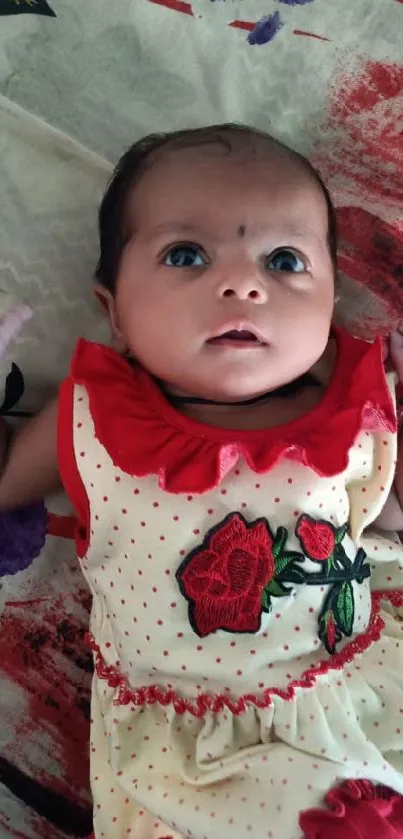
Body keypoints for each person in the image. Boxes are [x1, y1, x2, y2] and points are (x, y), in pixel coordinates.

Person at [1, 123, 403, 839]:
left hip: (353, 692)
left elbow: (387, 517)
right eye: (186, 254)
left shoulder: (353, 412)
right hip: (185, 756)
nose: (242, 282)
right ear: (113, 308)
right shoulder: (90, 419)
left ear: (332, 301)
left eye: (283, 260)